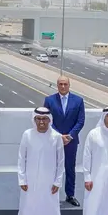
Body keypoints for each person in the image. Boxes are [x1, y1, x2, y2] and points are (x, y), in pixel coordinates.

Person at [14, 107, 65, 215]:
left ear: (50, 120)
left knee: (48, 209)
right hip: (29, 181)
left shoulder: (56, 137)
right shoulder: (27, 135)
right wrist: (22, 179)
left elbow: (60, 162)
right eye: (38, 119)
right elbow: (21, 158)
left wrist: (58, 181)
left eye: (44, 119)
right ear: (34, 119)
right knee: (28, 208)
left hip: (49, 183)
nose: (41, 122)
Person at [43, 76, 85, 206]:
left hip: (71, 142)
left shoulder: (78, 101)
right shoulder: (49, 100)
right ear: (57, 85)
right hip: (54, 140)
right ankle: (49, 194)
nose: (63, 86)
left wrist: (70, 136)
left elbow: (80, 121)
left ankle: (70, 195)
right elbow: (46, 119)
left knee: (70, 168)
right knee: (52, 167)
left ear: (69, 85)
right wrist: (59, 136)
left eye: (65, 84)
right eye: (60, 84)